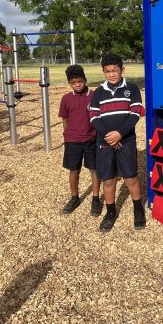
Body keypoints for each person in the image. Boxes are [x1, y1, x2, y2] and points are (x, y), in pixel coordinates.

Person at [88, 54, 146, 232]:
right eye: (108, 71)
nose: (112, 74)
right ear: (103, 72)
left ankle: (138, 208)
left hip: (126, 139)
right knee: (109, 178)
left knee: (130, 176)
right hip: (105, 140)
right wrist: (109, 137)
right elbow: (93, 117)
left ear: (122, 70)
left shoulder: (132, 88)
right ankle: (110, 212)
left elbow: (135, 113)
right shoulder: (98, 92)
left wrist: (120, 134)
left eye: (115, 70)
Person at [58, 64, 101, 216]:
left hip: (91, 139)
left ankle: (96, 199)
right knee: (73, 170)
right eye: (74, 83)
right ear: (69, 83)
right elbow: (65, 118)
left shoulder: (95, 95)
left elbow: (100, 116)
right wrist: (67, 135)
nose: (77, 85)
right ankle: (74, 197)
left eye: (80, 82)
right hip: (73, 141)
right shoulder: (66, 99)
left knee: (94, 170)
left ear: (85, 80)